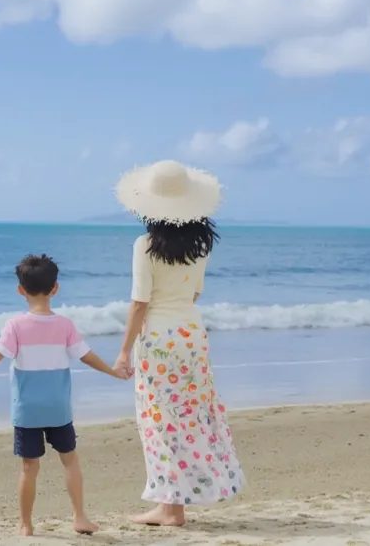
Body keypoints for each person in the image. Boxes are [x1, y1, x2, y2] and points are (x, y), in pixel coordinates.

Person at [0, 254, 125, 537]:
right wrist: (113, 371)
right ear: (55, 288)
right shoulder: (65, 325)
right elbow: (86, 357)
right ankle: (79, 517)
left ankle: (26, 524)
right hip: (58, 408)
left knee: (29, 467)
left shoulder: (15, 325)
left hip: (27, 409)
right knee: (70, 460)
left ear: (20, 290)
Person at [112, 160, 245, 527]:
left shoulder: (145, 246)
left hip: (158, 340)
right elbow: (196, 292)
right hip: (191, 336)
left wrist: (124, 350)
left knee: (158, 420)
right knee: (190, 417)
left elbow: (140, 302)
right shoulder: (201, 247)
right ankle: (174, 504)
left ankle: (170, 508)